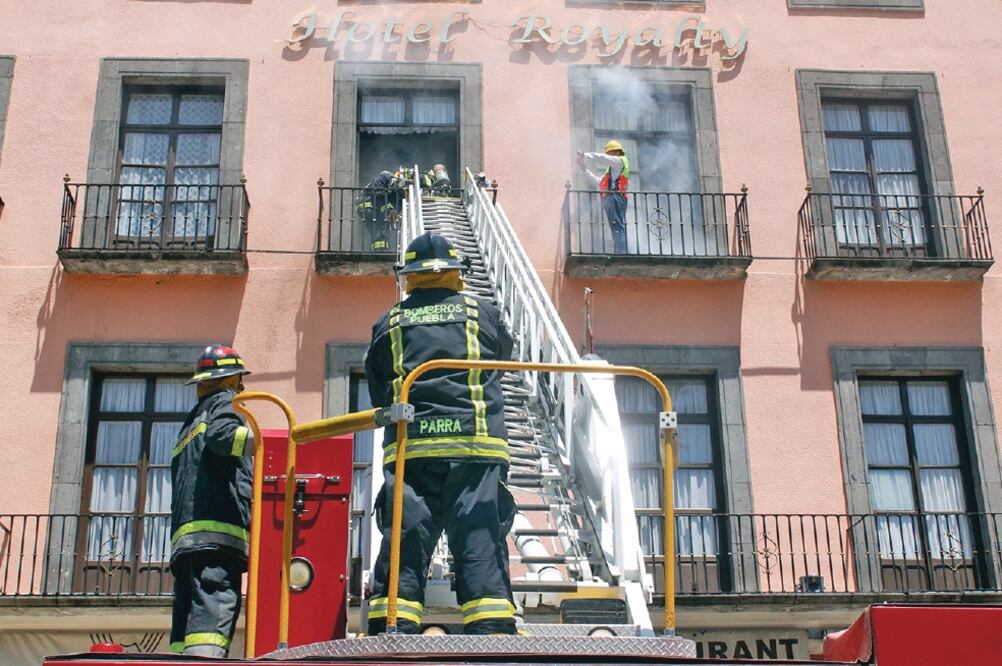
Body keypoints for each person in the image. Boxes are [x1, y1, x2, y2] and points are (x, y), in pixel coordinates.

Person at [364, 231, 517, 636]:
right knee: (479, 535)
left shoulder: (389, 321)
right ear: (456, 273)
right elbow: (501, 358)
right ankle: (491, 631)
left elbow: (379, 386)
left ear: (409, 276)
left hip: (411, 449)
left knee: (406, 537)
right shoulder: (481, 312)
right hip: (475, 446)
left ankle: (392, 629)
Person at [169, 344, 253, 657]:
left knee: (186, 631)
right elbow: (224, 438)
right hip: (217, 541)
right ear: (230, 380)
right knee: (211, 622)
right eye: (239, 381)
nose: (242, 389)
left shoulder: (188, 424)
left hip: (186, 545)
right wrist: (269, 444)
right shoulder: (226, 402)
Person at [577, 140, 630, 254]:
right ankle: (620, 251)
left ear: (616, 152)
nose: (608, 156)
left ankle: (620, 253)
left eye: (609, 153)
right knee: (616, 225)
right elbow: (597, 181)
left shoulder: (619, 161)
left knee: (617, 225)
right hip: (613, 198)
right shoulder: (612, 171)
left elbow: (602, 158)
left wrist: (585, 155)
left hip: (615, 197)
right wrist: (583, 169)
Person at [358, 167, 412, 250]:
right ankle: (378, 253)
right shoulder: (385, 176)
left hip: (377, 207)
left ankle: (381, 249)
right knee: (379, 228)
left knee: (383, 227)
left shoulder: (397, 191)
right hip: (367, 205)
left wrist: (398, 215)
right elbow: (378, 195)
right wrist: (390, 211)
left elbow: (396, 206)